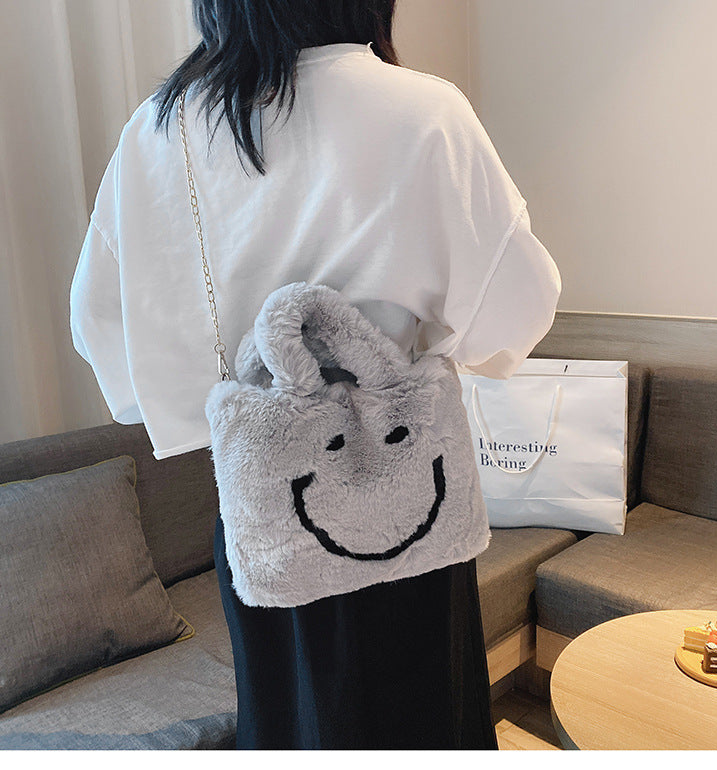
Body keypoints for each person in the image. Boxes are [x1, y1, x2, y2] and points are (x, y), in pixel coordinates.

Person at [70, 0, 561, 750]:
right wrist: (427, 349)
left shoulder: (159, 131)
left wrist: (202, 402)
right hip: (407, 488)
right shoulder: (423, 111)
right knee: (428, 721)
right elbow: (518, 305)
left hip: (264, 503)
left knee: (289, 722)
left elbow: (97, 320)